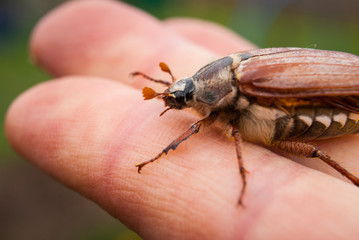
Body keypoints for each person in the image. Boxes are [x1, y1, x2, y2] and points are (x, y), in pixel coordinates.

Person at [5, 0, 359, 239]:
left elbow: (218, 129)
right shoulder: (221, 79)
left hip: (319, 110)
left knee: (314, 152)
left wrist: (167, 154)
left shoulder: (231, 94)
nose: (180, 101)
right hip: (285, 106)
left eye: (182, 95)